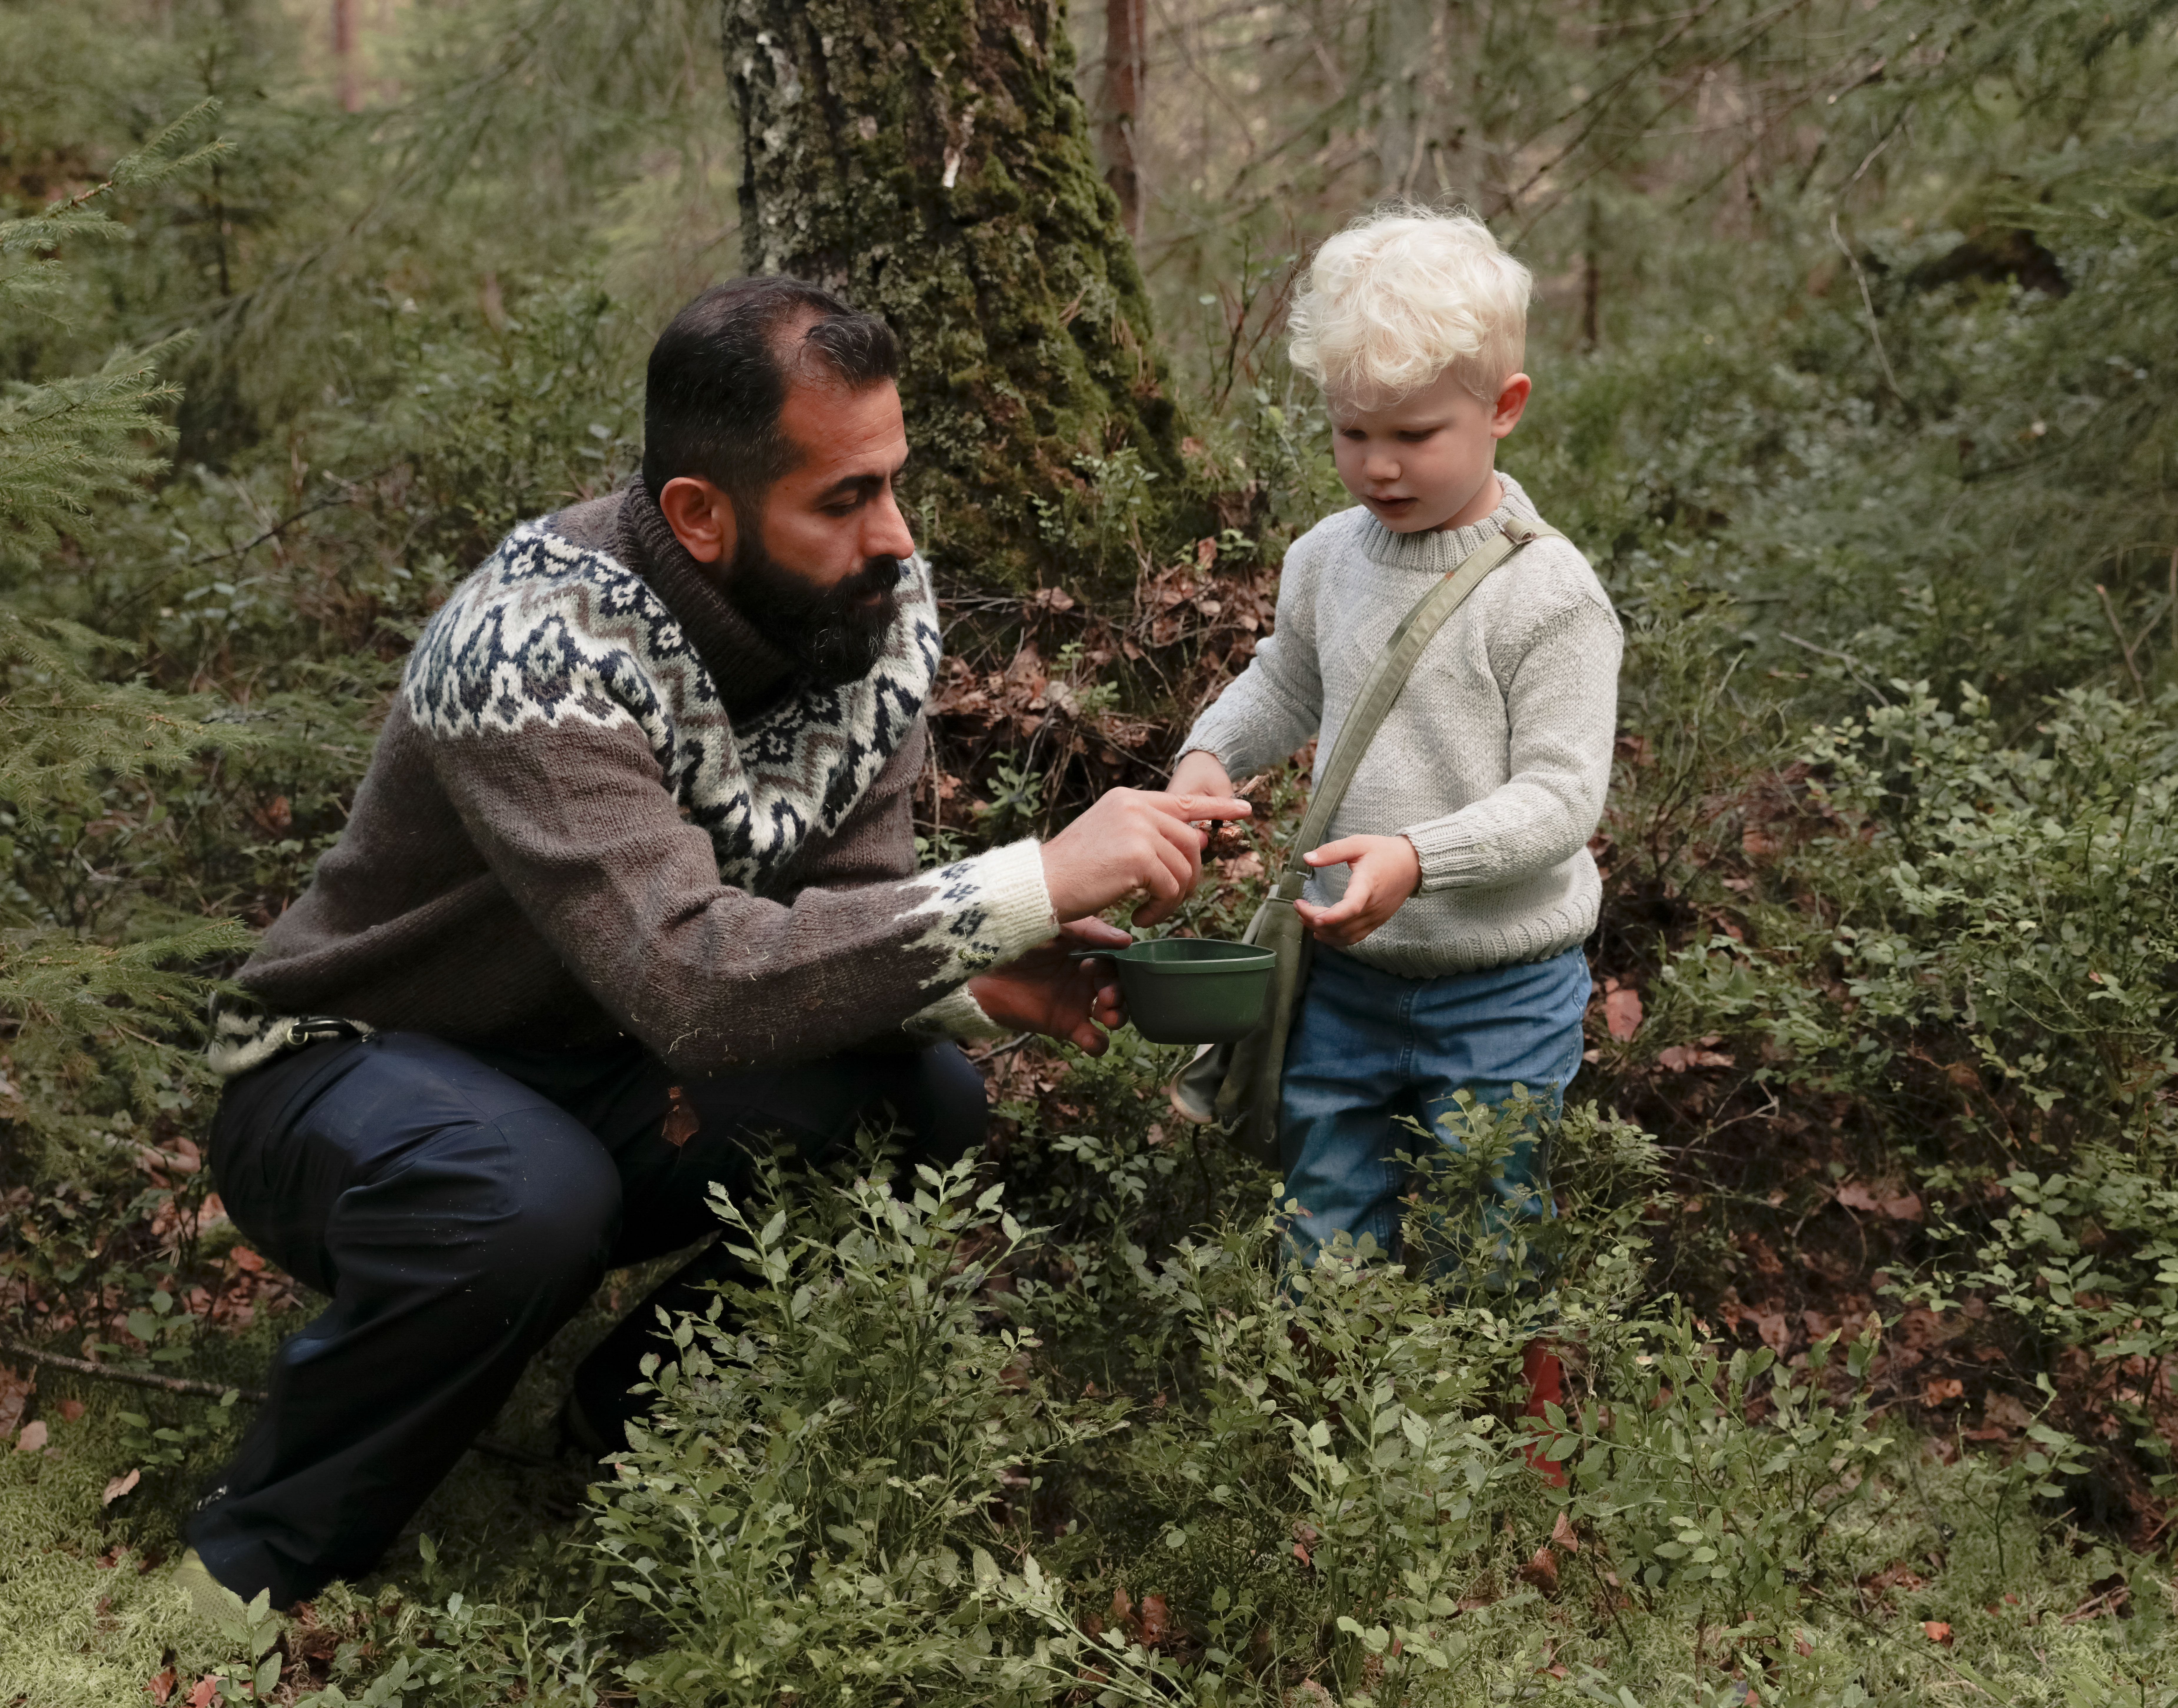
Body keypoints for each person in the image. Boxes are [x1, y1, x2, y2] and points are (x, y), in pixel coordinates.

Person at [176, 275, 1249, 1611]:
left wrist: (978, 977)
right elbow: (689, 975)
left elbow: (838, 922)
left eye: (894, 480)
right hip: (344, 1071)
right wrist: (1028, 873)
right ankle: (245, 1563)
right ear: (700, 511)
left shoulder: (864, 619)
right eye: (845, 498)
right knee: (525, 1195)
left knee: (923, 1101)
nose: (898, 539)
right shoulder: (529, 648)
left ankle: (622, 1433)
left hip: (597, 1062)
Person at [1163, 208, 1621, 1460]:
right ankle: (1338, 1455)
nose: (1377, 464)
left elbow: (1561, 800)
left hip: (1503, 985)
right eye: (1350, 431)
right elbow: (1285, 683)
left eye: (1414, 433)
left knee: (1489, 1221)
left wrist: (1420, 857)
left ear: (1505, 407)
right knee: (1324, 1209)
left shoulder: (1549, 596)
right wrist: (1208, 753)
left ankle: (1511, 1463)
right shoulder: (1326, 558)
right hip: (1346, 977)